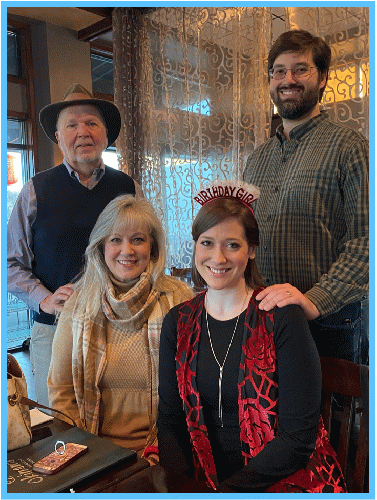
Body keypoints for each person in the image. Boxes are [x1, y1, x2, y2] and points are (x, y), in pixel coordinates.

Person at [156, 181, 346, 493]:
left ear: (252, 250)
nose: (217, 258)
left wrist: (227, 493)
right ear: (194, 246)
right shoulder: (176, 322)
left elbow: (298, 439)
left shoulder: (282, 317)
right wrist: (183, 489)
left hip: (283, 479)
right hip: (204, 480)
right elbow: (170, 420)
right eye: (206, 243)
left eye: (232, 245)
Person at [7, 83, 142, 407]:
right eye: (71, 124)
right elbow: (10, 263)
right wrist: (45, 299)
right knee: (60, 425)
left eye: (91, 123)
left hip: (119, 329)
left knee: (118, 419)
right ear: (58, 136)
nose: (82, 131)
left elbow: (144, 251)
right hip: (55, 331)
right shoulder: (36, 190)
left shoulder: (128, 187)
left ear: (106, 135)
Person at [243, 29, 369, 364]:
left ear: (323, 77)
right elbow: (247, 237)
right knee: (271, 412)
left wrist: (315, 300)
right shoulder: (256, 160)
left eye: (301, 69)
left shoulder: (350, 148)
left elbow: (366, 242)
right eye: (279, 71)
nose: (288, 79)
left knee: (333, 414)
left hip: (329, 321)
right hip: (265, 317)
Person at [48, 195, 194, 462]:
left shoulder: (178, 298)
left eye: (137, 239)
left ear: (153, 247)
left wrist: (162, 453)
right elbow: (61, 390)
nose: (127, 250)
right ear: (101, 246)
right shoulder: (78, 304)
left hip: (166, 451)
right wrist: (84, 451)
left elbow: (192, 389)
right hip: (92, 451)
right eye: (116, 239)